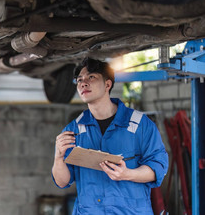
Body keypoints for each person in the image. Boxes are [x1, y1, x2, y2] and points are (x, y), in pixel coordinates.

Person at [52, 58, 169, 214]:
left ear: (107, 84)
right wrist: (58, 157)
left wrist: (129, 174)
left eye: (91, 77)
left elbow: (158, 168)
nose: (83, 83)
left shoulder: (140, 125)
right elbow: (62, 182)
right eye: (79, 80)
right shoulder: (74, 129)